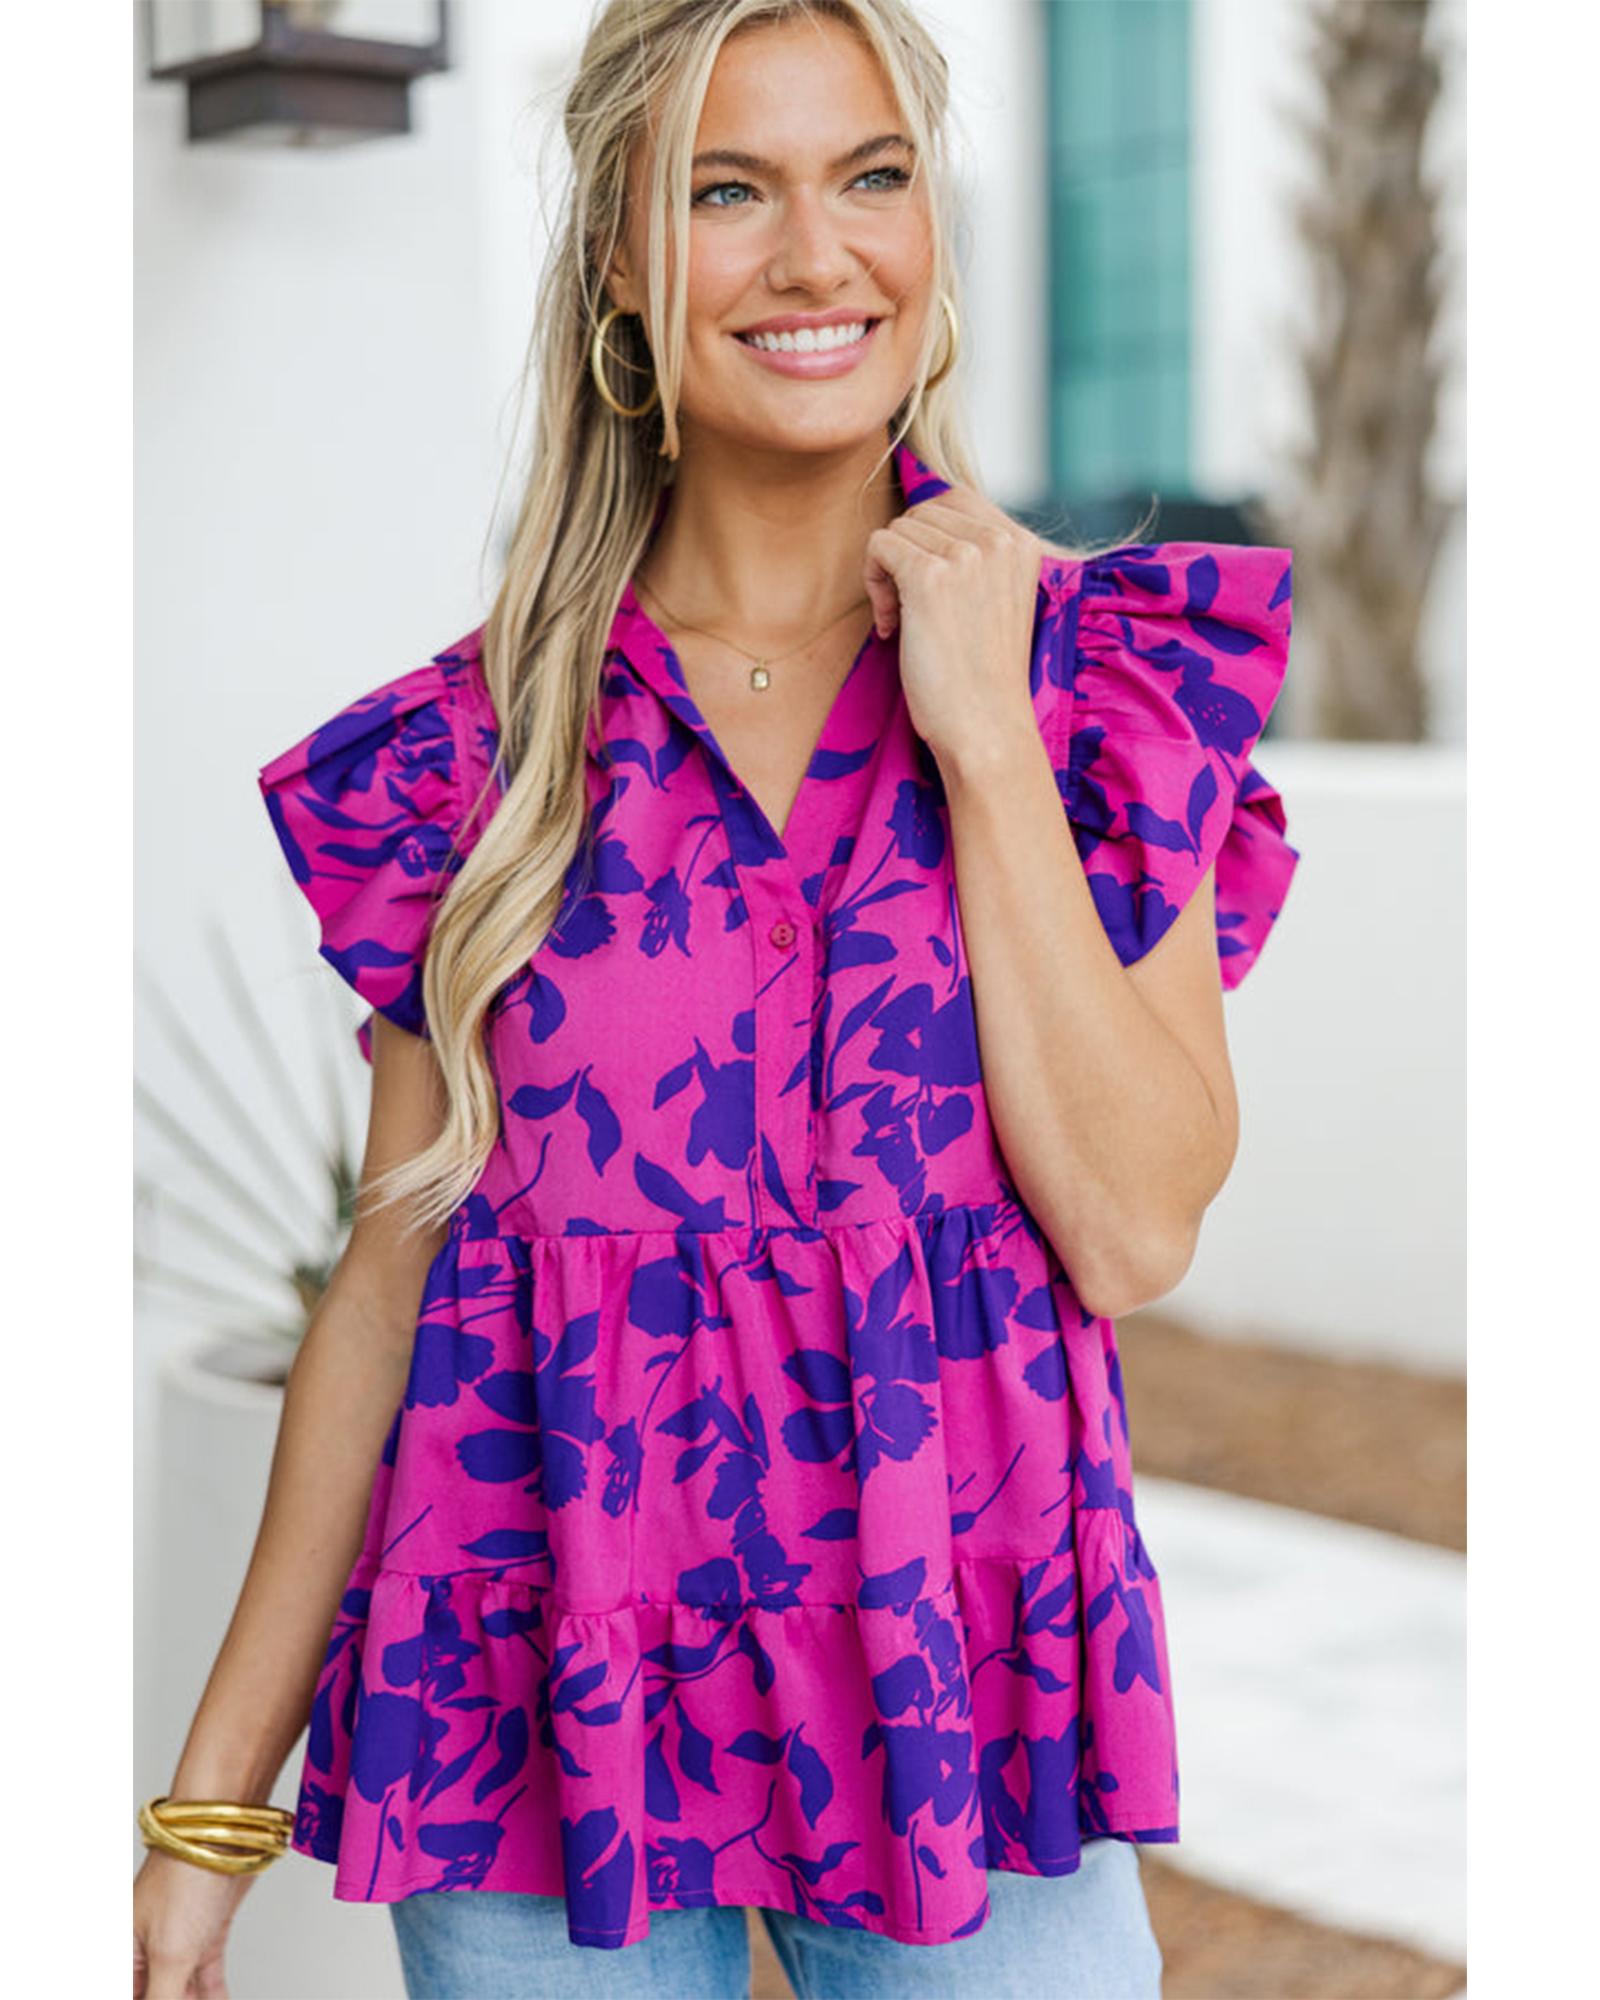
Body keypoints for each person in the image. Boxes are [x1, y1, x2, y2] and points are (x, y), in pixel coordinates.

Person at [134, 1, 1301, 1995]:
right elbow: (386, 1293)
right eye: (726, 191)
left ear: (930, 224)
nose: (813, 256)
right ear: (616, 256)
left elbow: (1131, 1230)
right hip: (538, 1723)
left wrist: (984, 739)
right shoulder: (472, 758)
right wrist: (207, 1818)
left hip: (967, 1712)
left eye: (870, 177)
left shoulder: (1100, 693)